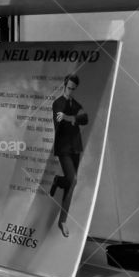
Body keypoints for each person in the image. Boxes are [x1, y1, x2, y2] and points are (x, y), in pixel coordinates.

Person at [50, 74, 88, 237]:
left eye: (73, 89)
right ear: (64, 85)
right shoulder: (57, 103)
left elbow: (84, 118)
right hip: (64, 147)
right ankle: (62, 221)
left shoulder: (76, 104)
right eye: (69, 87)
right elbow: (58, 123)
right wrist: (71, 118)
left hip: (76, 147)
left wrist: (69, 118)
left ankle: (59, 180)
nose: (71, 91)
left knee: (70, 183)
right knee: (73, 180)